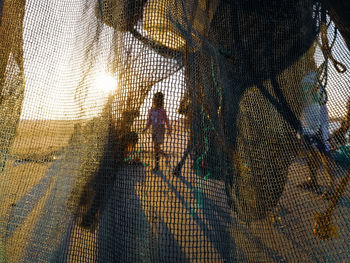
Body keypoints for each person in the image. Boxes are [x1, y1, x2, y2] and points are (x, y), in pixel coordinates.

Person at [297, 71, 333, 193]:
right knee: (311, 153)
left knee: (324, 154)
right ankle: (312, 180)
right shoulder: (298, 75)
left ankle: (332, 187)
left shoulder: (315, 77)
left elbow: (320, 100)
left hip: (319, 123)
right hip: (305, 123)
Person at [143, 92, 172, 171]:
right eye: (155, 99)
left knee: (156, 147)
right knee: (156, 147)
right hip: (154, 130)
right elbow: (149, 121)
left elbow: (166, 120)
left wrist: (169, 128)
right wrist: (145, 128)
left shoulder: (162, 110)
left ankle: (157, 166)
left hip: (161, 129)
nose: (156, 101)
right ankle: (164, 155)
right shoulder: (151, 110)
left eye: (158, 100)